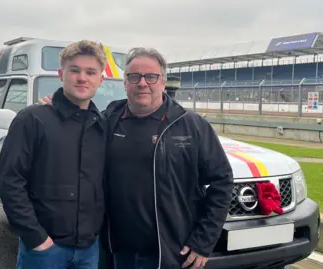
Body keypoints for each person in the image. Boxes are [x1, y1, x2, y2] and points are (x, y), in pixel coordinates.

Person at [39, 47, 234, 269]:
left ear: (163, 81)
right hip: (117, 251)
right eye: (134, 76)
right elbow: (74, 128)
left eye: (151, 76)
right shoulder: (106, 121)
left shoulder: (191, 125)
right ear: (125, 82)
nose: (142, 83)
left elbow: (223, 181)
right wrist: (54, 108)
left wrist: (204, 240)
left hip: (171, 252)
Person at [0, 40, 108, 269]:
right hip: (45, 250)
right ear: (61, 74)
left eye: (90, 72)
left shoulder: (103, 125)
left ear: (101, 79)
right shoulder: (33, 119)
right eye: (74, 70)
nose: (82, 78)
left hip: (89, 249)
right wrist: (35, 237)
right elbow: (10, 180)